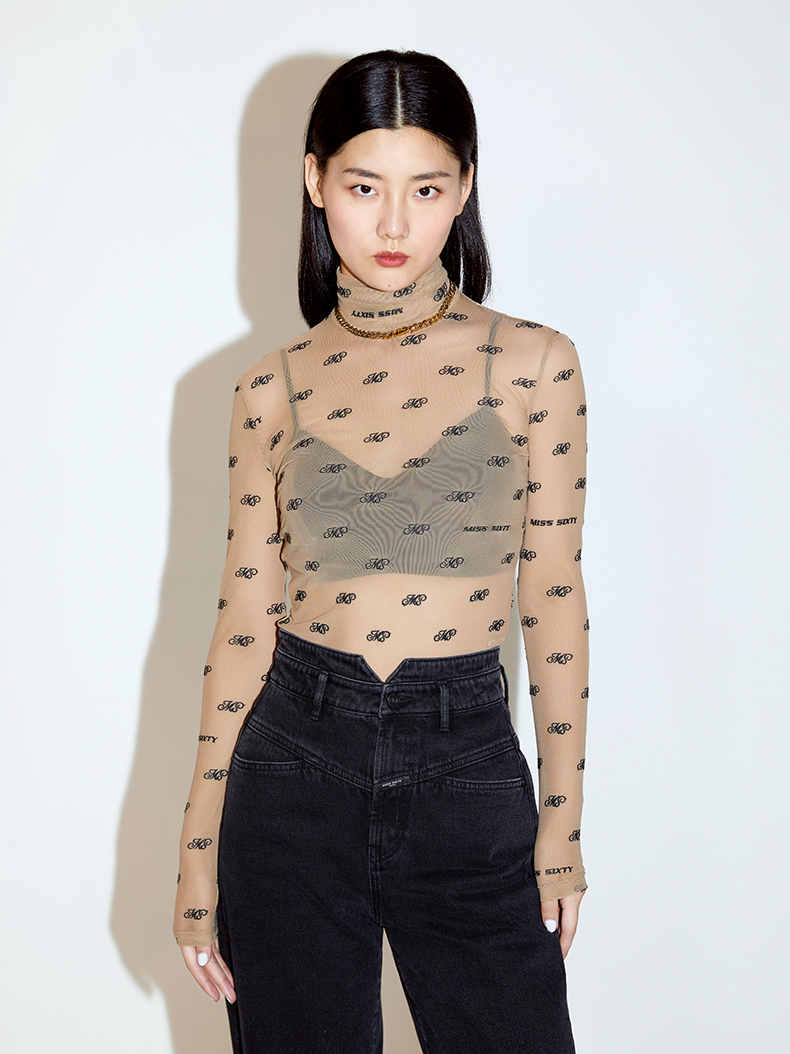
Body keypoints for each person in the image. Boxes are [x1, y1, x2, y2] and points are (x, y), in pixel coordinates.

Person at [173, 49, 589, 1054]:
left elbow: (553, 592)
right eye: (365, 188)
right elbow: (242, 620)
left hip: (468, 760)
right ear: (315, 180)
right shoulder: (268, 387)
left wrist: (562, 827)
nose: (394, 224)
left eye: (426, 189)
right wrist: (196, 849)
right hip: (291, 763)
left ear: (466, 188)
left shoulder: (534, 363)